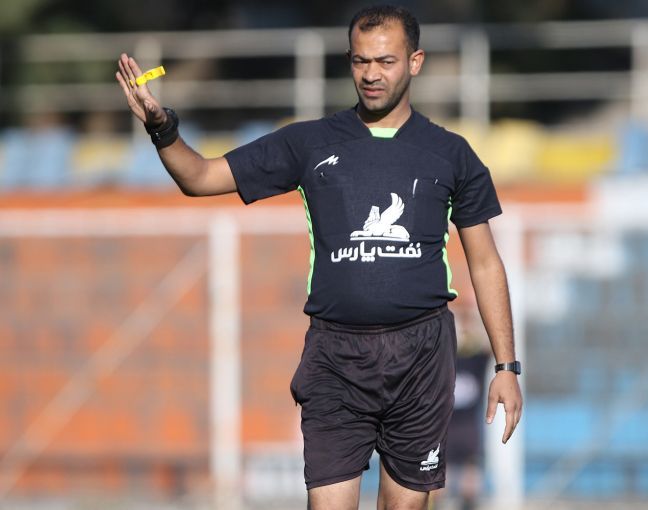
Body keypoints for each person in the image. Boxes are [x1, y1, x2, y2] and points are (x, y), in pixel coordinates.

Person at [116, 5, 522, 510]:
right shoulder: (309, 142)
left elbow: (485, 262)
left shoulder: (452, 153)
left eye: (386, 61)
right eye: (360, 61)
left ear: (415, 62)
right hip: (336, 356)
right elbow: (199, 177)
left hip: (421, 355)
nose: (371, 74)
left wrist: (506, 365)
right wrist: (162, 127)